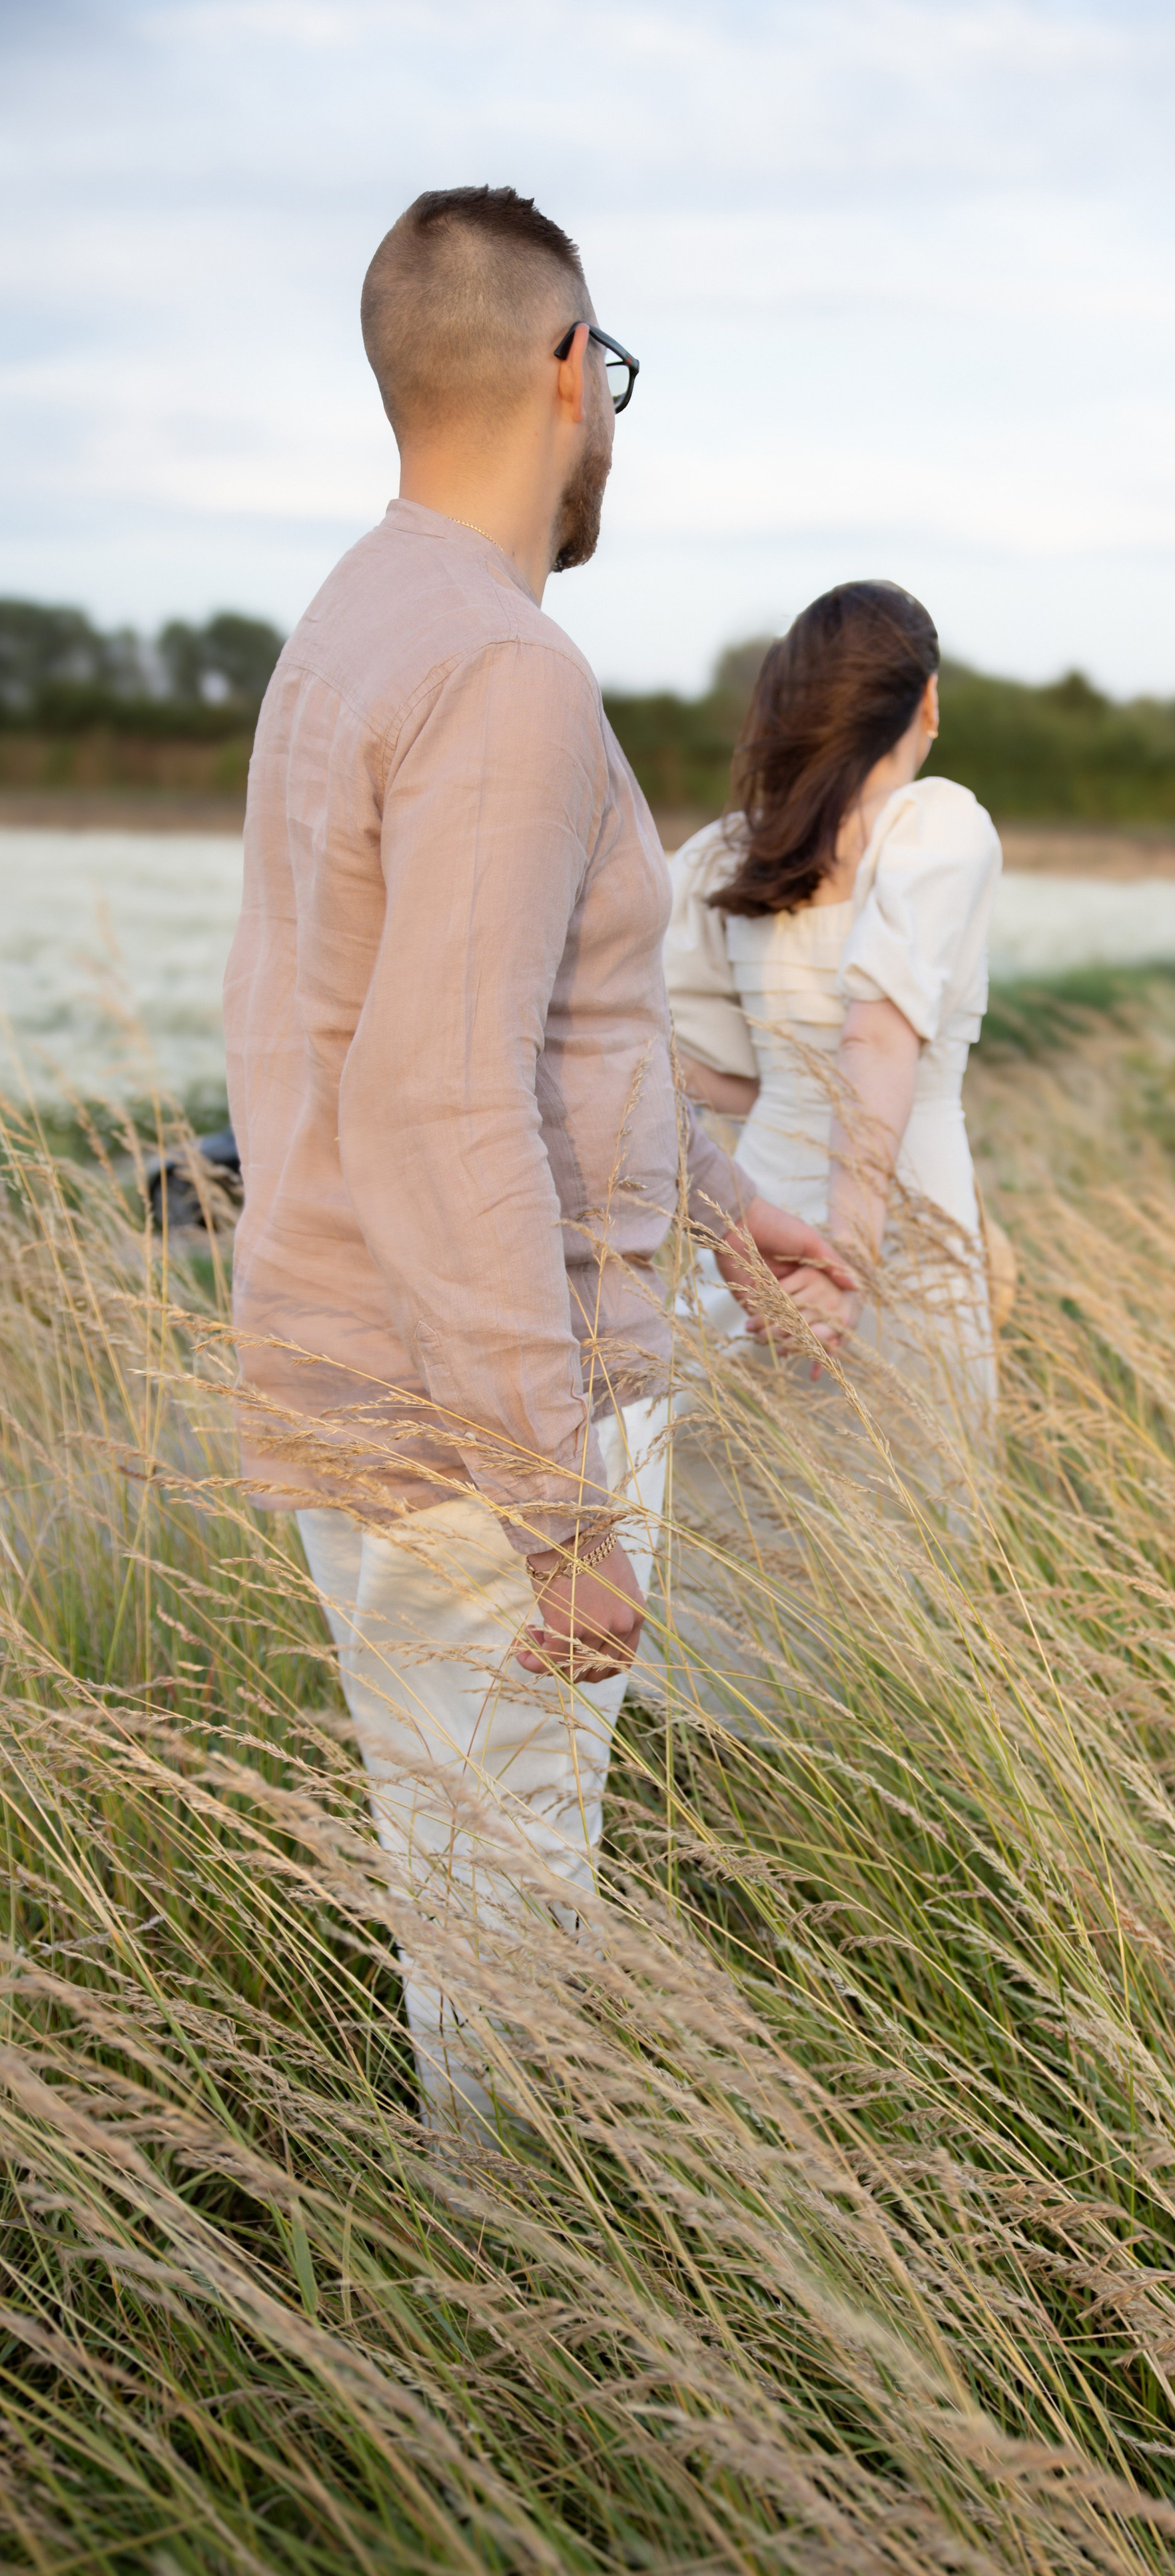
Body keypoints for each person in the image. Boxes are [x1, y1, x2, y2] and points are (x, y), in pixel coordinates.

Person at [222, 186, 850, 2128]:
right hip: (480, 1427)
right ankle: (509, 2381)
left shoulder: (349, 621)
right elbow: (441, 1094)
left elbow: (520, 1037)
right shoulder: (508, 670)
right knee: (511, 1964)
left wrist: (735, 1210)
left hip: (368, 1390)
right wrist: (558, 1501)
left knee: (460, 1919)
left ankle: (472, 2318)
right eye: (617, 377)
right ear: (568, 371)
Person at [665, 580, 1002, 1429]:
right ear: (927, 699)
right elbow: (878, 1036)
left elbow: (681, 1065)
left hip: (761, 1220)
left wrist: (791, 1092)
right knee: (908, 1509)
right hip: (901, 1215)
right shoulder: (937, 827)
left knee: (741, 1519)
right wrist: (850, 1255)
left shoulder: (727, 854)